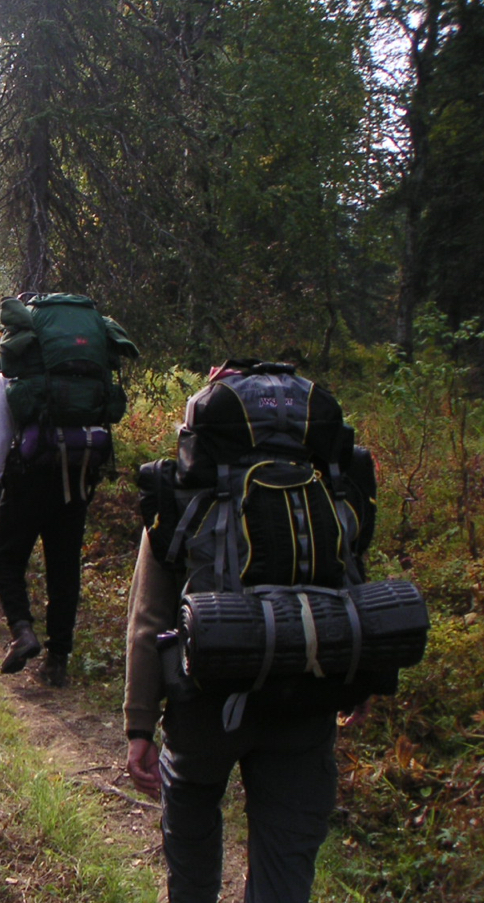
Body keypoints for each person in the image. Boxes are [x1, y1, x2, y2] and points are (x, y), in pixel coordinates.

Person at [124, 360, 368, 903]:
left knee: (191, 831)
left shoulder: (184, 491)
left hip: (204, 702)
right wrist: (359, 684)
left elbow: (148, 620)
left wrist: (140, 725)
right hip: (306, 696)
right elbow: (351, 584)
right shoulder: (330, 488)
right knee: (287, 869)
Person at [0, 370, 94, 686]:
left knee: (3, 559)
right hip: (75, 478)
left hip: (27, 478)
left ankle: (22, 631)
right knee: (64, 569)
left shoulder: (14, 372)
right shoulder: (82, 370)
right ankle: (57, 661)